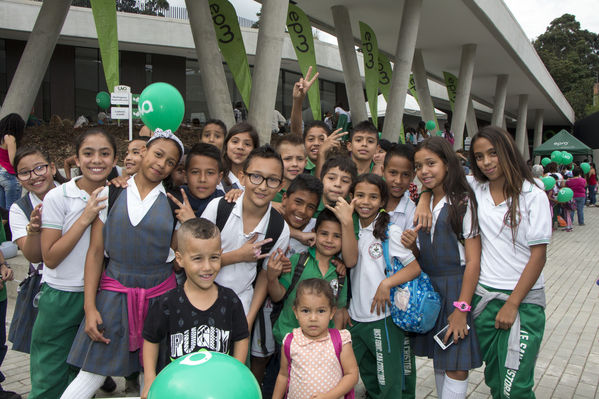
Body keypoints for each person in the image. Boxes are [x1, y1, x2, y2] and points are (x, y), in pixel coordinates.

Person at [418, 126, 551, 398]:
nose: (486, 162)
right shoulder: (475, 189)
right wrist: (423, 197)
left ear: (508, 151)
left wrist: (513, 304)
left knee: (515, 386)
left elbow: (539, 256)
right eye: (479, 157)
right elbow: (435, 177)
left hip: (522, 303)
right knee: (495, 380)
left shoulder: (532, 194)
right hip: (483, 300)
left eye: (493, 153)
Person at [61, 130, 184, 399]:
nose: (161, 164)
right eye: (158, 154)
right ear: (143, 153)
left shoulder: (175, 204)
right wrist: (90, 306)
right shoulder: (110, 193)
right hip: (114, 296)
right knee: (91, 373)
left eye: (171, 162)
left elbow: (179, 260)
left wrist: (188, 223)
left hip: (159, 299)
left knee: (151, 378)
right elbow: (95, 253)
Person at [29, 129, 115, 399]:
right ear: (76, 159)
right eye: (88, 153)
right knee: (50, 376)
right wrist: (86, 216)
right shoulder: (58, 197)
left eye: (104, 153)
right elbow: (51, 257)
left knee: (82, 379)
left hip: (103, 295)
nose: (96, 160)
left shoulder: (118, 195)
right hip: (61, 295)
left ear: (114, 159)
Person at [201, 145, 290, 384]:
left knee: (232, 377)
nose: (262, 186)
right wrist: (238, 255)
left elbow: (263, 276)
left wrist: (249, 318)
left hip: (240, 305)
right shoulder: (219, 208)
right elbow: (195, 258)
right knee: (201, 371)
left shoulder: (279, 228)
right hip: (200, 302)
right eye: (256, 176)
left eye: (272, 180)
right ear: (242, 177)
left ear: (281, 186)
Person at [141, 218, 249, 398]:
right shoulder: (167, 303)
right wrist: (150, 379)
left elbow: (241, 338)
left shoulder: (230, 300)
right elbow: (150, 340)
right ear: (180, 259)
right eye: (197, 258)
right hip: (176, 389)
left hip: (219, 390)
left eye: (214, 257)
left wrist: (237, 375)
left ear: (221, 254)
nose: (207, 267)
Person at [411, 137, 482, 399]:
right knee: (441, 360)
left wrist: (462, 308)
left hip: (456, 288)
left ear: (447, 164)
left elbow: (473, 261)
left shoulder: (463, 202)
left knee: (456, 365)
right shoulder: (423, 201)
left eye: (431, 163)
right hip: (431, 289)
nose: (424, 171)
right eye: (418, 166)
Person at [347, 173, 422, 398]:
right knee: (368, 376)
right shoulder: (348, 227)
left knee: (388, 381)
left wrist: (386, 284)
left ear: (382, 201)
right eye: (360, 195)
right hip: (355, 317)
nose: (365, 202)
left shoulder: (390, 231)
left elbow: (414, 268)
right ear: (351, 197)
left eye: (373, 197)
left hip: (383, 318)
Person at [268, 209, 348, 345]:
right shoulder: (297, 261)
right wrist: (272, 278)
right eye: (324, 234)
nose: (329, 240)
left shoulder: (340, 272)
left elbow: (339, 311)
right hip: (290, 340)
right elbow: (277, 296)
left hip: (323, 345)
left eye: (336, 236)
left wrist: (336, 344)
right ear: (314, 232)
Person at [272, 278, 359, 399]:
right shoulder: (290, 341)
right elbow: (283, 375)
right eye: (306, 311)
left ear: (332, 312)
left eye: (321, 311)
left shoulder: (340, 340)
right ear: (296, 312)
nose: (313, 318)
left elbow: (352, 375)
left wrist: (329, 396)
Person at [381, 143, 418, 398]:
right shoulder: (368, 198)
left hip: (399, 297)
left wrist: (414, 247)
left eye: (405, 174)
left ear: (412, 177)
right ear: (382, 170)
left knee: (402, 361)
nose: (398, 180)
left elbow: (418, 260)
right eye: (392, 172)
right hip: (368, 295)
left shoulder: (414, 210)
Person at [168, 143, 225, 222]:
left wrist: (191, 222)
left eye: (210, 173)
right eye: (195, 172)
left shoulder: (225, 204)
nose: (202, 179)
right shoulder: (174, 199)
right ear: (185, 176)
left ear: (219, 177)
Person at [280, 174, 322, 256]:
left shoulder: (317, 228)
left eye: (310, 207)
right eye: (298, 202)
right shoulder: (269, 217)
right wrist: (300, 235)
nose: (303, 211)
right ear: (285, 198)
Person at [219, 122, 260, 192]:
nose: (240, 147)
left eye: (247, 144)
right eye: (235, 142)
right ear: (226, 145)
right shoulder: (217, 179)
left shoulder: (260, 180)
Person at [273, 134, 307, 203]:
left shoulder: (308, 192)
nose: (295, 164)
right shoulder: (268, 191)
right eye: (288, 159)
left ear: (305, 162)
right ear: (276, 161)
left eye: (300, 159)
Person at [0, 114, 24, 211]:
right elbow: (13, 160)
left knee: (3, 212)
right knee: (12, 210)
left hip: (1, 174)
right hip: (10, 176)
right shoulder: (10, 138)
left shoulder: (1, 137)